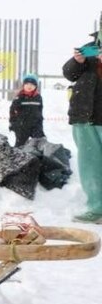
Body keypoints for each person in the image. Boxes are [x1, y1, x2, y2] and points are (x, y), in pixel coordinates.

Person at [65, 33, 102, 223]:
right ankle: (96, 209)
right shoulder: (90, 48)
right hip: (85, 117)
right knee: (90, 166)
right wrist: (77, 61)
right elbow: (69, 74)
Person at [9, 74, 45, 148]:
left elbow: (40, 111)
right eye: (27, 84)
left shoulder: (38, 97)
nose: (29, 86)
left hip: (35, 125)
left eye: (32, 84)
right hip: (22, 125)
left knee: (39, 143)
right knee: (20, 145)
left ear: (35, 86)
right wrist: (13, 123)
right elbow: (12, 111)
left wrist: (40, 123)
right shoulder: (19, 97)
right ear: (23, 85)